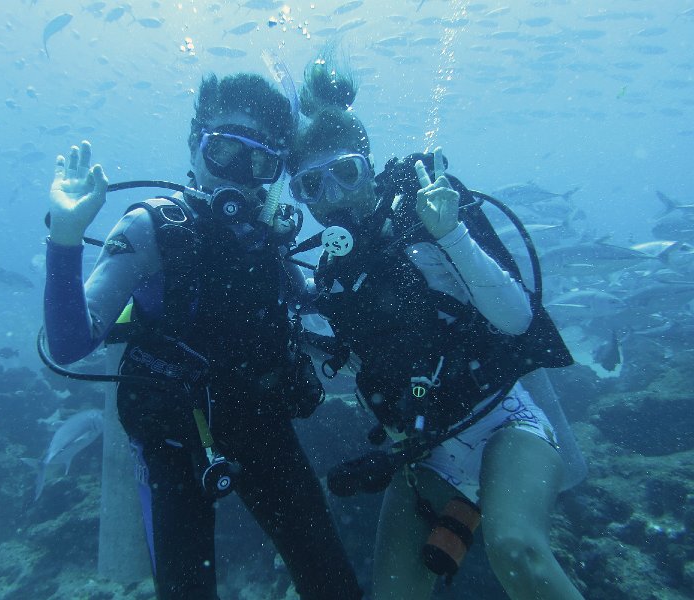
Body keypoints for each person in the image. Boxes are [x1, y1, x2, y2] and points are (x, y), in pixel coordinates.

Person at [42, 72, 364, 600]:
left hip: (262, 418)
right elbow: (70, 344)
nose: (238, 175)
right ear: (195, 144)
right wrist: (66, 236)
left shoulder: (265, 236)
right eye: (224, 151)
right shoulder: (152, 228)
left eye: (259, 162)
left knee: (331, 581)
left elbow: (308, 299)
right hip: (172, 437)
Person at [287, 56, 585, 600]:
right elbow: (357, 363)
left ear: (369, 166)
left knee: (515, 549)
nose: (334, 196)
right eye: (312, 185)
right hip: (423, 452)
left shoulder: (425, 219)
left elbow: (517, 320)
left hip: (504, 422)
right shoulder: (331, 273)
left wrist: (451, 234)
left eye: (346, 173)